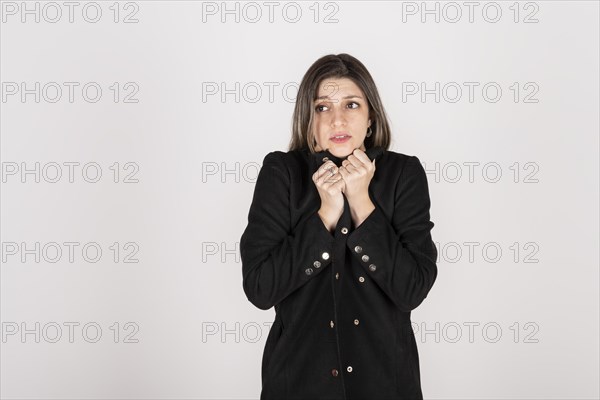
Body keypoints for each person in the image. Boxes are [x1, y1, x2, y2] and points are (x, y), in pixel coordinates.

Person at [240, 53, 438, 400]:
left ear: (370, 117)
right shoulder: (281, 174)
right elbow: (260, 288)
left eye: (351, 105)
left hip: (385, 386)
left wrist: (361, 202)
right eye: (322, 108)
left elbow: (412, 290)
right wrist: (326, 215)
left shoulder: (403, 175)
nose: (337, 120)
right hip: (297, 384)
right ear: (309, 119)